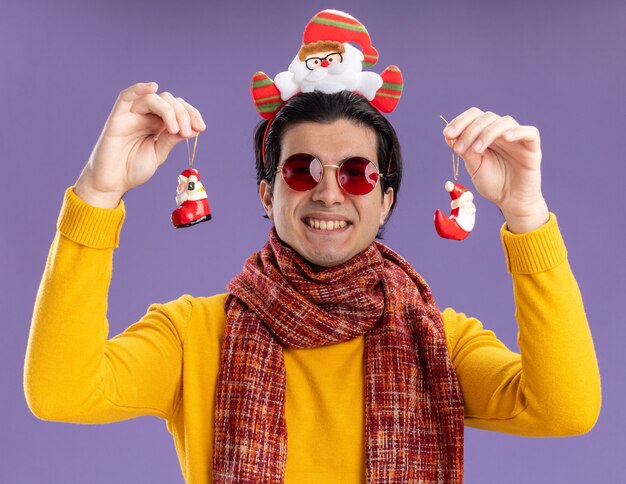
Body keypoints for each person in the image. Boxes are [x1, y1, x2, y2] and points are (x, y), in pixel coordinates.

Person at [24, 10, 601, 484]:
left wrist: (526, 215)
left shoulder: (441, 344)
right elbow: (61, 392)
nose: (328, 193)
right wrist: (99, 192)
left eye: (356, 174)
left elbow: (565, 410)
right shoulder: (193, 335)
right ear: (266, 193)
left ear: (386, 201)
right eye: (301, 170)